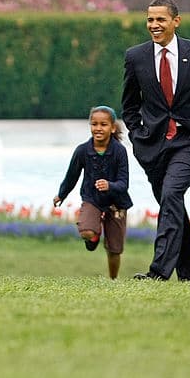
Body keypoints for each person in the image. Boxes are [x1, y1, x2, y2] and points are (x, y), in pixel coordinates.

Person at [121, 0, 190, 281]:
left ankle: (158, 272)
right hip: (152, 146)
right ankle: (189, 278)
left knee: (171, 195)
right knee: (172, 205)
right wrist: (137, 135)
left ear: (176, 21)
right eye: (150, 20)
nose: (154, 25)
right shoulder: (135, 56)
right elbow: (129, 105)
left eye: (160, 19)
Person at [53, 106, 134, 280]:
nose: (98, 128)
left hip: (117, 202)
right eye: (94, 124)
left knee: (114, 249)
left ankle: (113, 281)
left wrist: (109, 185)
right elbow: (72, 176)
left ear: (113, 128)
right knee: (87, 232)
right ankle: (95, 236)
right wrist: (61, 194)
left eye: (103, 124)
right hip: (92, 199)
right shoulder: (82, 150)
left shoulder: (120, 151)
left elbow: (123, 183)